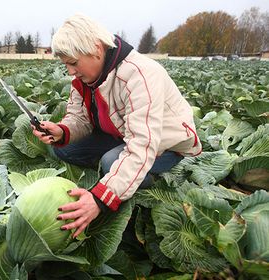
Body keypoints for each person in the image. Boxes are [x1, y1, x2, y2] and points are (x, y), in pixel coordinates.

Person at [32, 14, 202, 238]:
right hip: (121, 135)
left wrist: (100, 198)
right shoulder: (84, 78)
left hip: (165, 144)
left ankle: (142, 180)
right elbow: (79, 119)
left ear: (96, 49)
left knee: (111, 161)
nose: (71, 71)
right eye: (66, 65)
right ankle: (120, 173)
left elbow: (143, 144)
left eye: (73, 63)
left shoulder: (140, 75)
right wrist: (62, 131)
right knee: (63, 147)